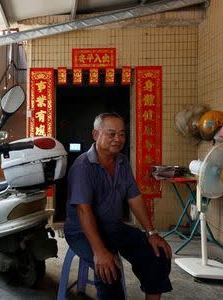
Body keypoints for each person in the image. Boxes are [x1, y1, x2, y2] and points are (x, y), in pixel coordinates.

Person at [64, 112, 172, 300]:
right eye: (111, 134)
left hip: (112, 227)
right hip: (81, 232)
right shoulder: (83, 166)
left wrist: (152, 233)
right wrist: (99, 251)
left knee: (157, 254)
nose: (118, 139)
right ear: (96, 135)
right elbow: (83, 209)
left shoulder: (122, 162)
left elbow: (134, 197)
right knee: (109, 270)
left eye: (122, 134)